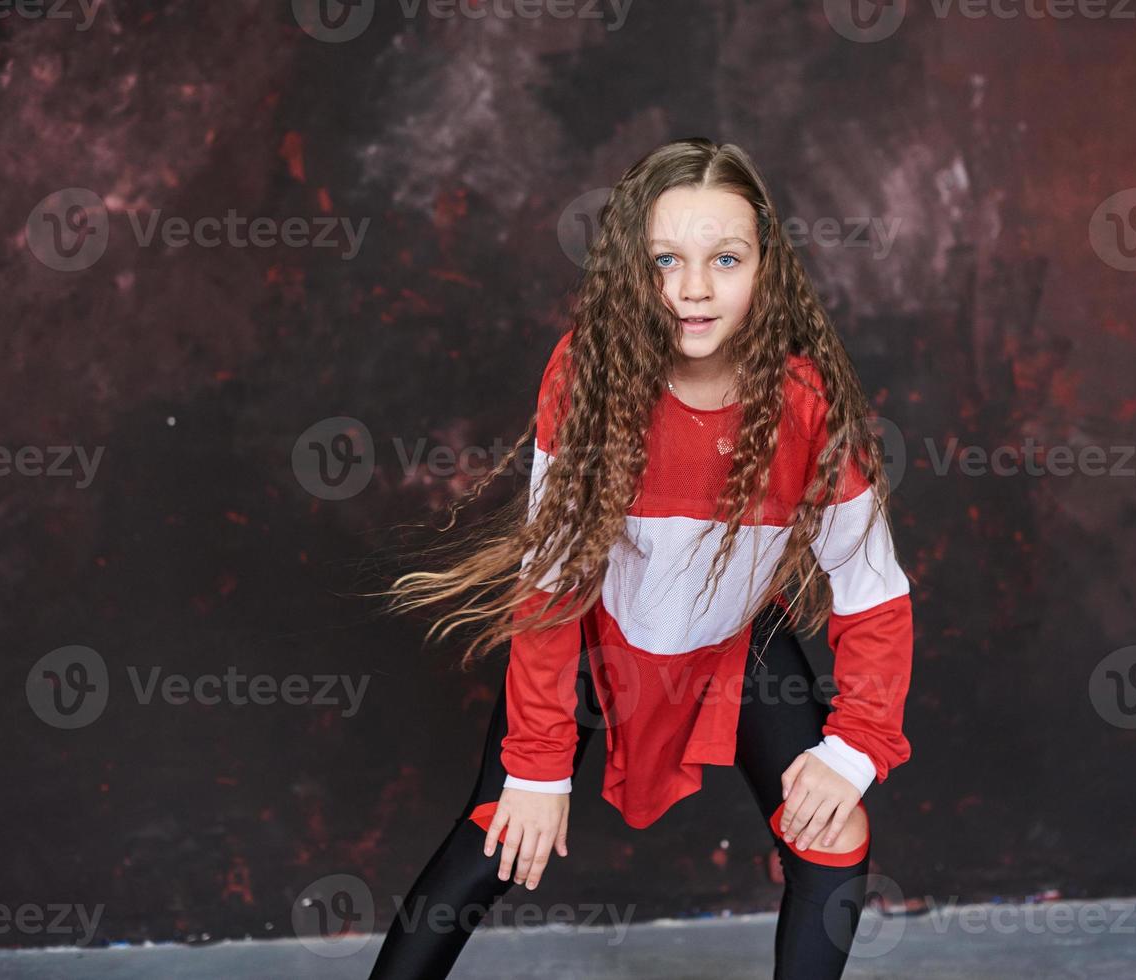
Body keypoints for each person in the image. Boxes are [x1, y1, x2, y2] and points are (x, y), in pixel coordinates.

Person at [369, 137, 916, 979]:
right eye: (666, 261)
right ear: (632, 269)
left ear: (766, 268)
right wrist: (539, 767)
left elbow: (874, 594)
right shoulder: (587, 375)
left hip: (735, 645)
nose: (694, 289)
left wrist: (855, 747)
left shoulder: (806, 403)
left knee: (834, 833)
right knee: (500, 830)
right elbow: (552, 579)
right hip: (597, 638)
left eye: (724, 258)